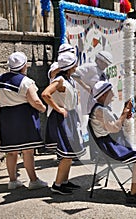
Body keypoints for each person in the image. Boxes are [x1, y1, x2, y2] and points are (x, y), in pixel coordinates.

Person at [89, 81, 136, 205]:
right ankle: (134, 193)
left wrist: (125, 115)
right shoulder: (100, 110)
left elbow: (115, 126)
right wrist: (125, 112)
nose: (113, 95)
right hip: (110, 146)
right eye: (110, 92)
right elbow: (115, 128)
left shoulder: (103, 109)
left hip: (114, 142)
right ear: (103, 95)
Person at [0, 52, 48, 190]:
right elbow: (34, 100)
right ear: (24, 65)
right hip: (23, 116)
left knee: (11, 151)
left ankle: (12, 181)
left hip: (6, 116)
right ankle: (33, 180)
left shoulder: (0, 79)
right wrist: (42, 108)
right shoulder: (26, 81)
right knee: (28, 150)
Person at [42, 51, 86, 195]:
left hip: (70, 117)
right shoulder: (60, 80)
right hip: (64, 118)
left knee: (70, 152)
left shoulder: (69, 78)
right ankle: (57, 184)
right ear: (70, 65)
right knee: (67, 153)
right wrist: (59, 109)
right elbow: (45, 94)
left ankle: (65, 181)